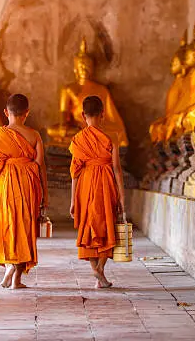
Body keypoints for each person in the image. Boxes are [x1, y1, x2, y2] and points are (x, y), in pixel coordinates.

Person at [0, 94, 49, 290]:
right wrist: (45, 193)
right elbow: (40, 165)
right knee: (24, 229)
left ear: (5, 112)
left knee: (7, 226)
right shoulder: (34, 135)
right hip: (28, 185)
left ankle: (10, 266)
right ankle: (16, 277)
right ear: (27, 113)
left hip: (2, 184)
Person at [69, 95, 126, 288]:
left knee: (88, 224)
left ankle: (96, 270)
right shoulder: (112, 137)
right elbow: (117, 168)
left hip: (85, 184)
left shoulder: (77, 140)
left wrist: (72, 200)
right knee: (106, 224)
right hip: (106, 182)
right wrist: (122, 196)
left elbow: (74, 172)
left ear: (83, 115)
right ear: (103, 114)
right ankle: (99, 270)